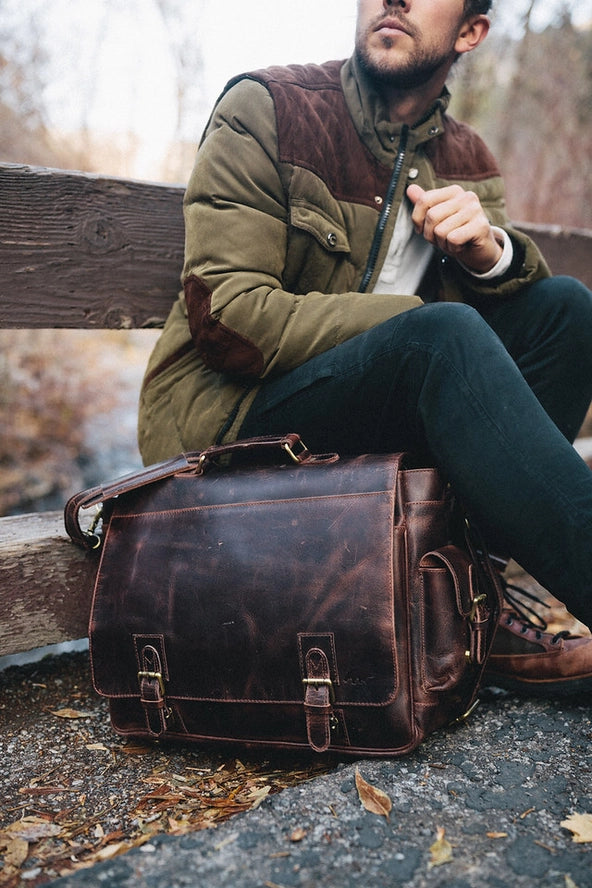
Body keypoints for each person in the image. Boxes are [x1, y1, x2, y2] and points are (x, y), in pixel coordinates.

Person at [138, 0, 592, 695]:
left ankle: (467, 592)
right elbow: (229, 318)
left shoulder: (467, 157)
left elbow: (493, 355)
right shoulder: (270, 108)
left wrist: (488, 255)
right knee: (437, 336)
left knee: (568, 310)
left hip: (377, 403)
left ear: (470, 32)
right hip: (232, 415)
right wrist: (404, 319)